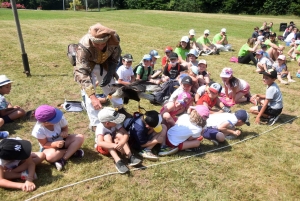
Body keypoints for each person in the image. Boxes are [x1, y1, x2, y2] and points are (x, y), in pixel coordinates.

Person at [74, 23, 125, 132]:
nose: (100, 46)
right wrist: (93, 97)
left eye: (103, 44)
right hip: (88, 66)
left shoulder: (114, 40)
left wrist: (110, 72)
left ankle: (120, 110)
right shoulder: (83, 47)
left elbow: (115, 58)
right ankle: (95, 123)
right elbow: (82, 71)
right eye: (96, 44)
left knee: (111, 86)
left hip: (104, 64)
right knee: (89, 95)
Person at [31, 105, 85, 171]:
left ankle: (63, 159)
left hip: (63, 140)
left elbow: (65, 127)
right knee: (50, 157)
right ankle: (72, 151)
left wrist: (65, 132)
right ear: (46, 122)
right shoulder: (38, 130)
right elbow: (44, 144)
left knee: (80, 137)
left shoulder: (60, 118)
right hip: (49, 147)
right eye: (55, 118)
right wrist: (55, 144)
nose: (58, 118)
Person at [95, 107, 141, 174]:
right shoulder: (100, 128)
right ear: (107, 123)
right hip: (104, 148)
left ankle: (130, 156)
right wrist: (115, 145)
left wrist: (121, 143)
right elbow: (100, 143)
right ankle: (118, 161)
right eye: (116, 120)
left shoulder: (114, 123)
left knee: (120, 135)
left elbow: (125, 134)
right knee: (107, 137)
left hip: (115, 144)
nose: (118, 122)